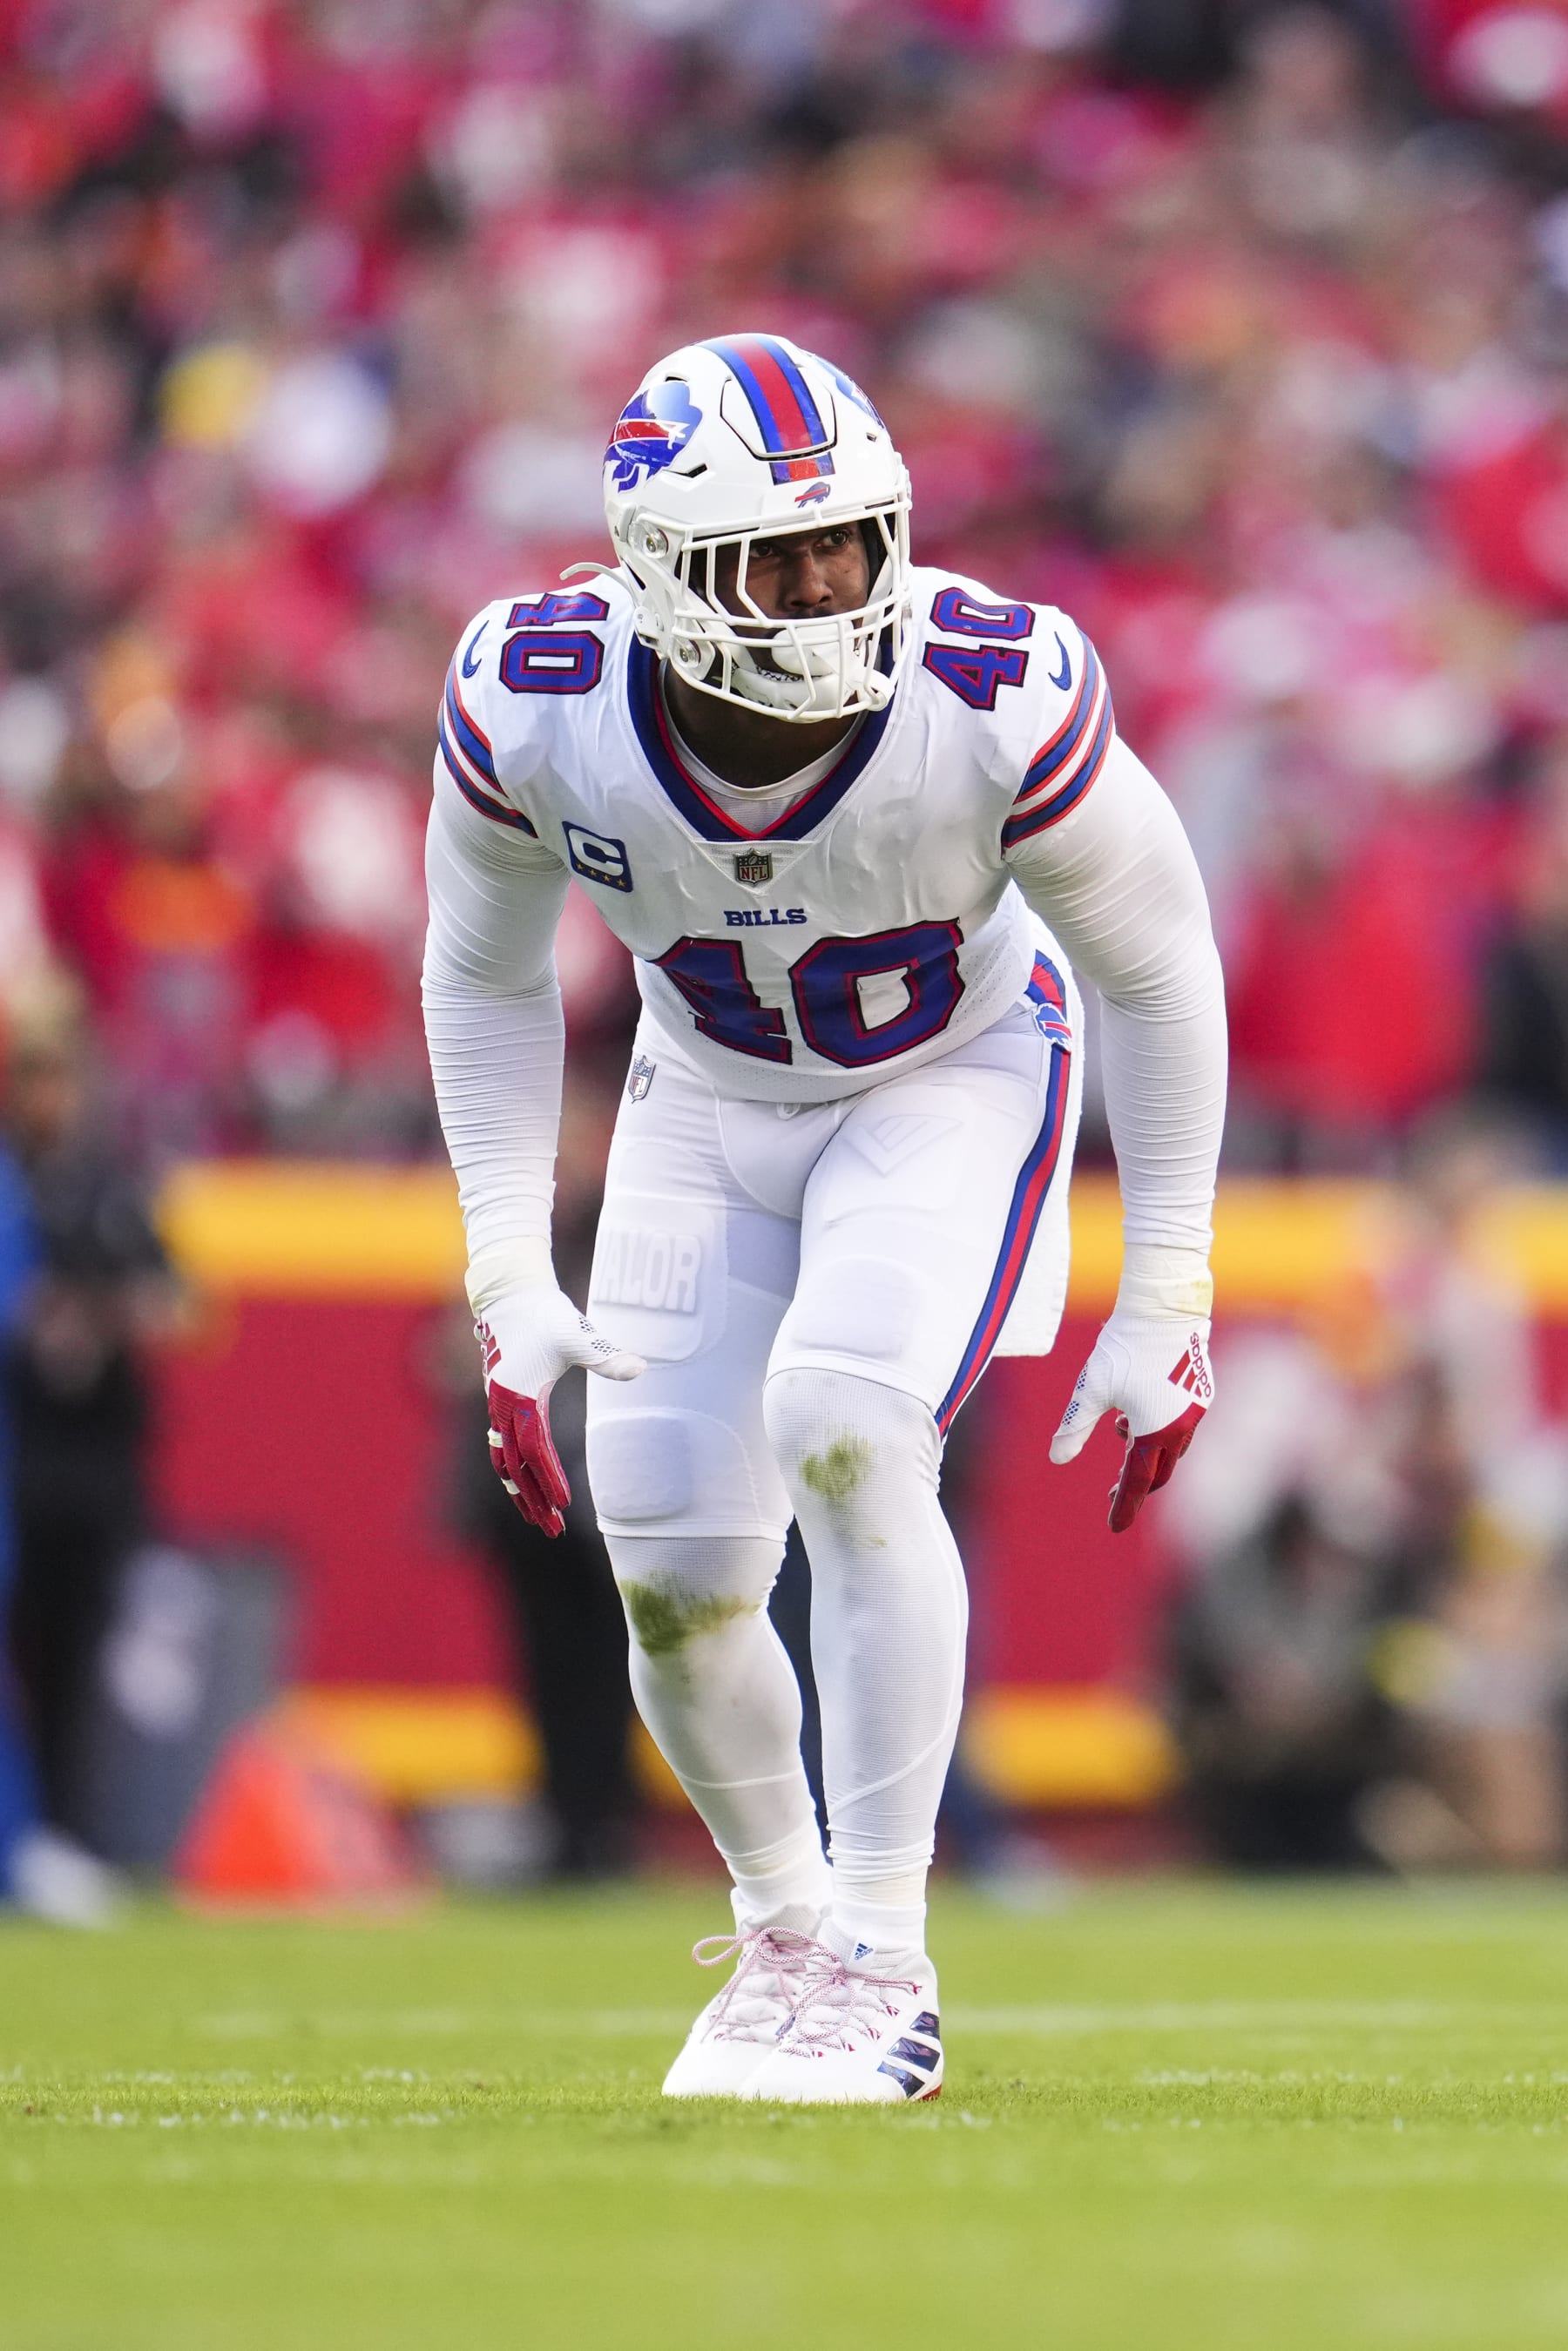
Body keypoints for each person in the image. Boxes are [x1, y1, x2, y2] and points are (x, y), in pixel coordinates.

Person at [422, 335, 1226, 2103]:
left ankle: (882, 1947)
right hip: (705, 1093)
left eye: (849, 540)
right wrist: (504, 1265)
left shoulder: (990, 689)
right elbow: (480, 973)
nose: (827, 585)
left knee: (847, 1424)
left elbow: (1161, 965)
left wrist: (1169, 1284)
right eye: (774, 557)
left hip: (952, 1071)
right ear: (659, 567)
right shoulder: (536, 694)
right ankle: (786, 1935)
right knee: (668, 1560)